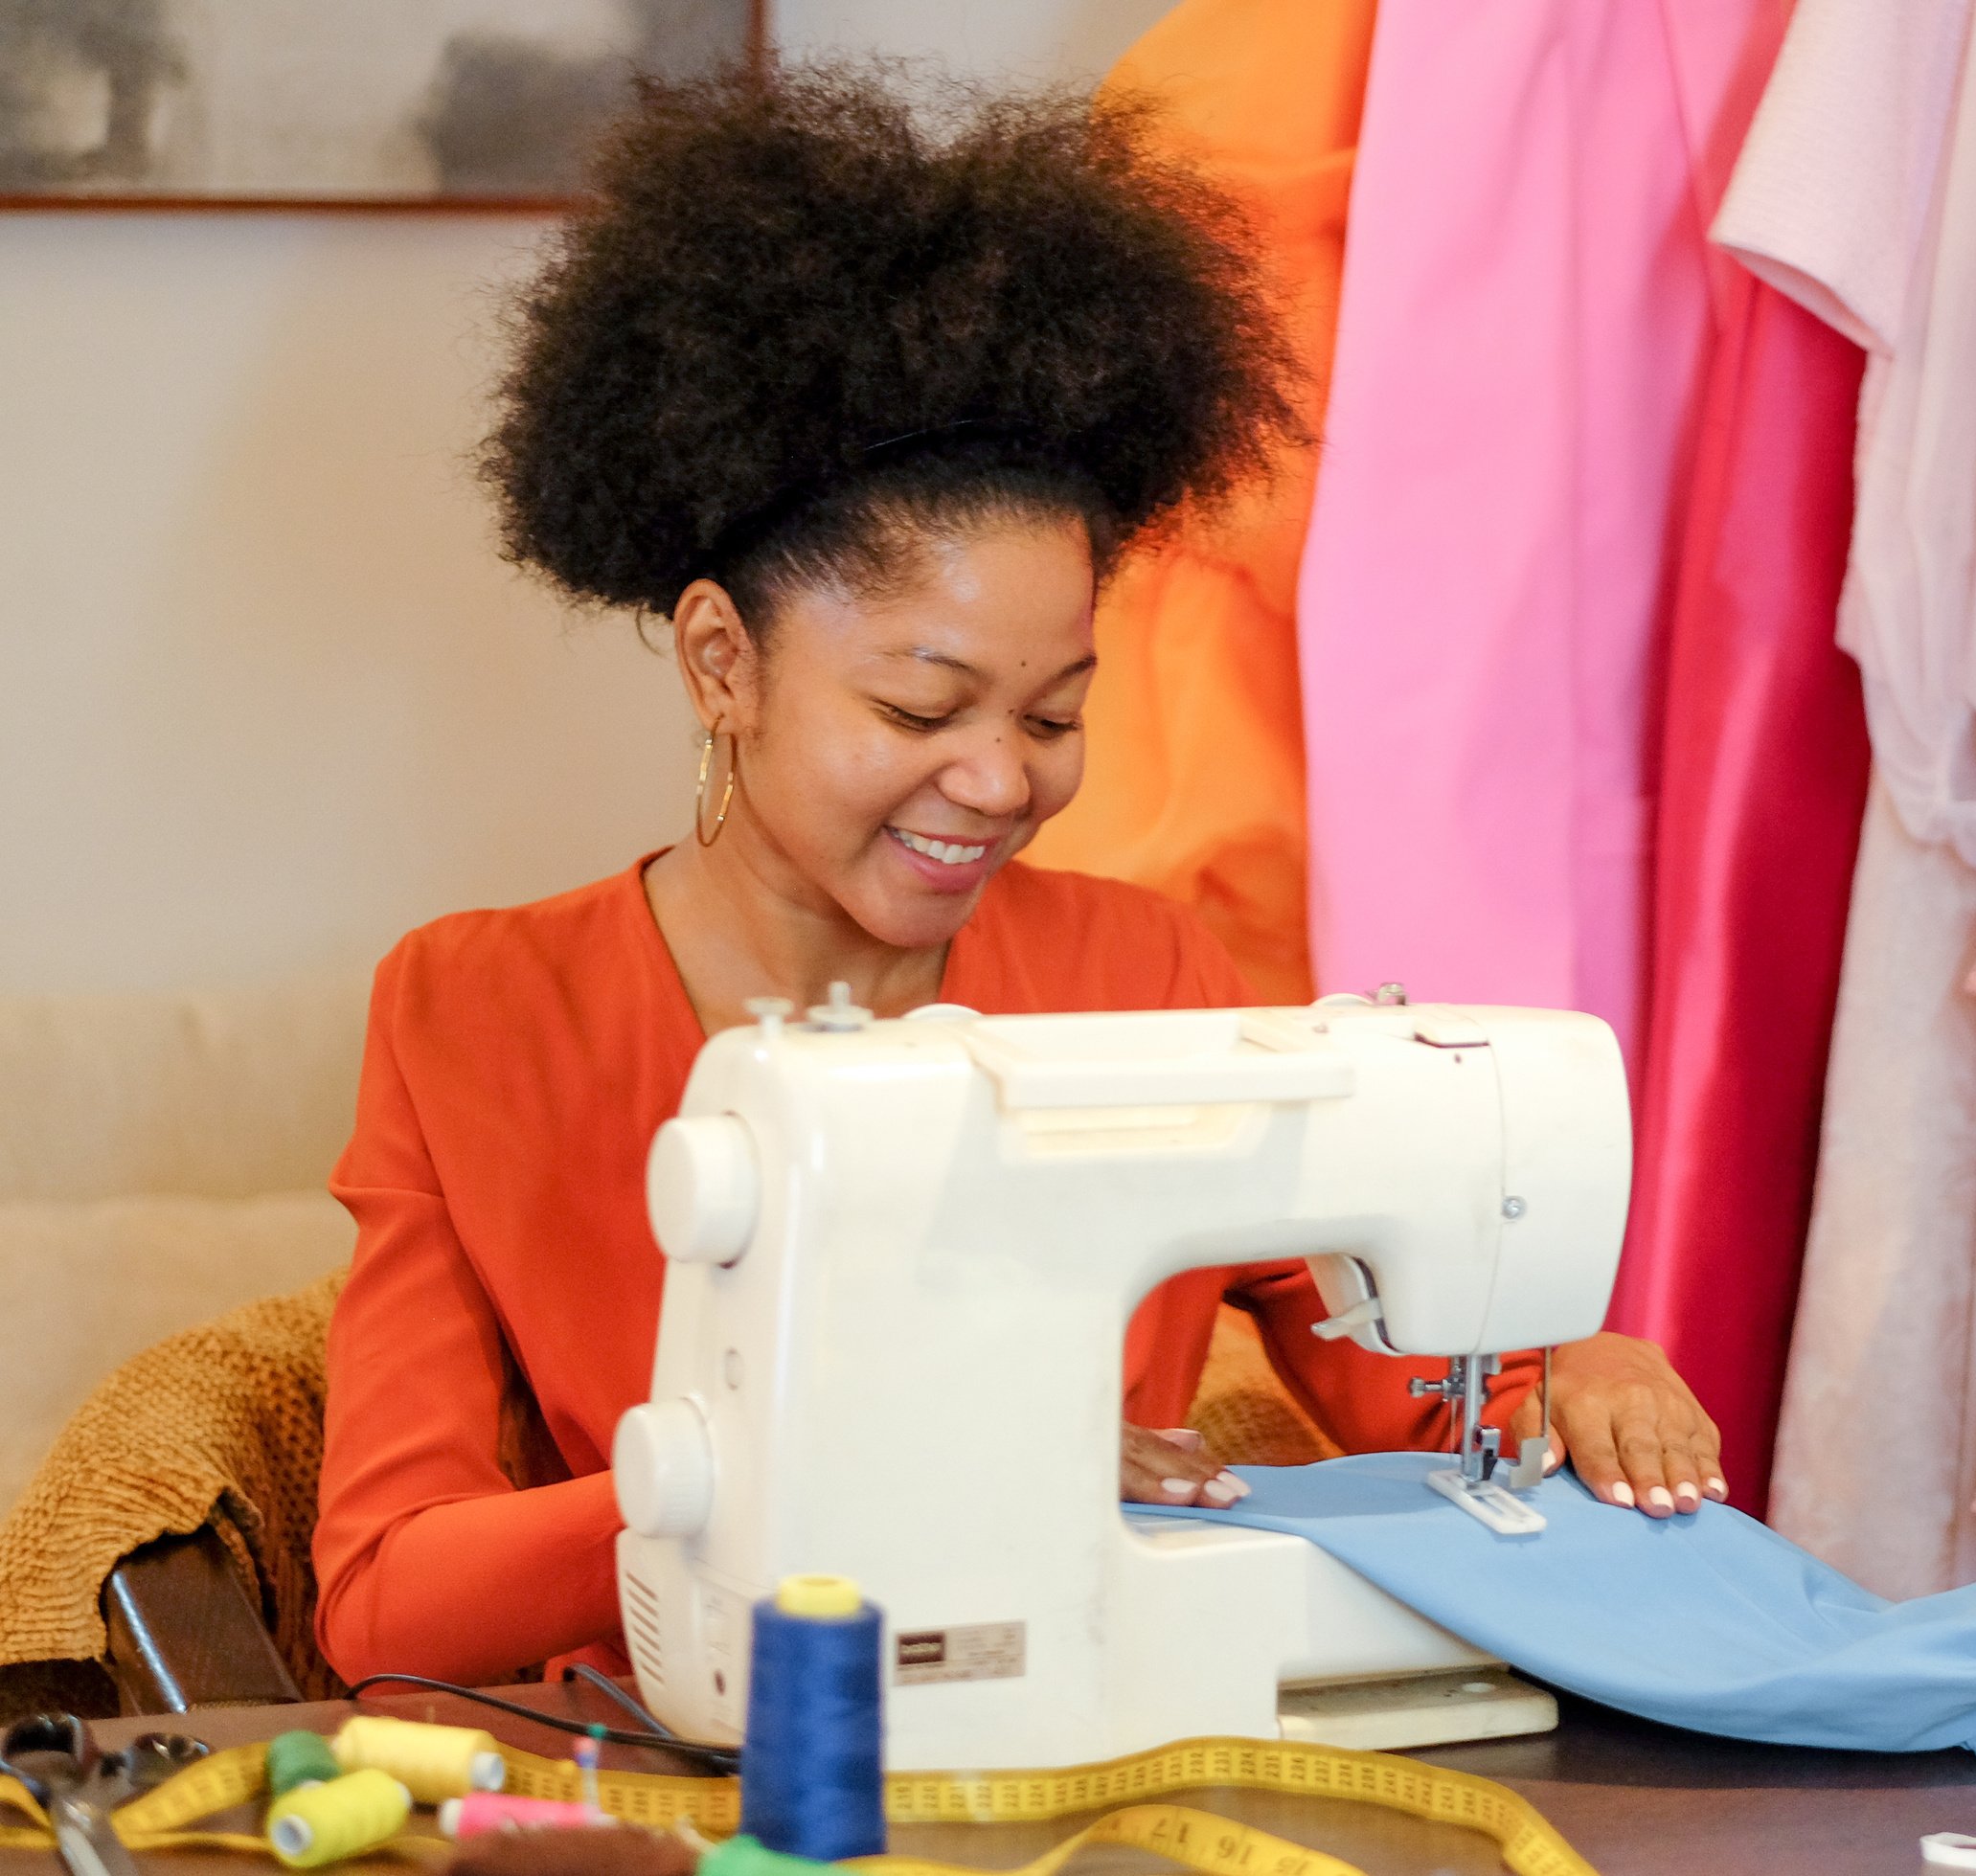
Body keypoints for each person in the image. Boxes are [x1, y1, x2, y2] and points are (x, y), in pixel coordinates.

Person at [311, 66, 1723, 1688]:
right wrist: (813, 1472)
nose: (999, 784)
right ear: (721, 661)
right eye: (920, 709)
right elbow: (387, 1606)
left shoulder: (1146, 979)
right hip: (718, 1772)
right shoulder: (474, 1010)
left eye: (1056, 715)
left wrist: (1568, 1377)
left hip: (1088, 1733)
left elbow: (1422, 1396)